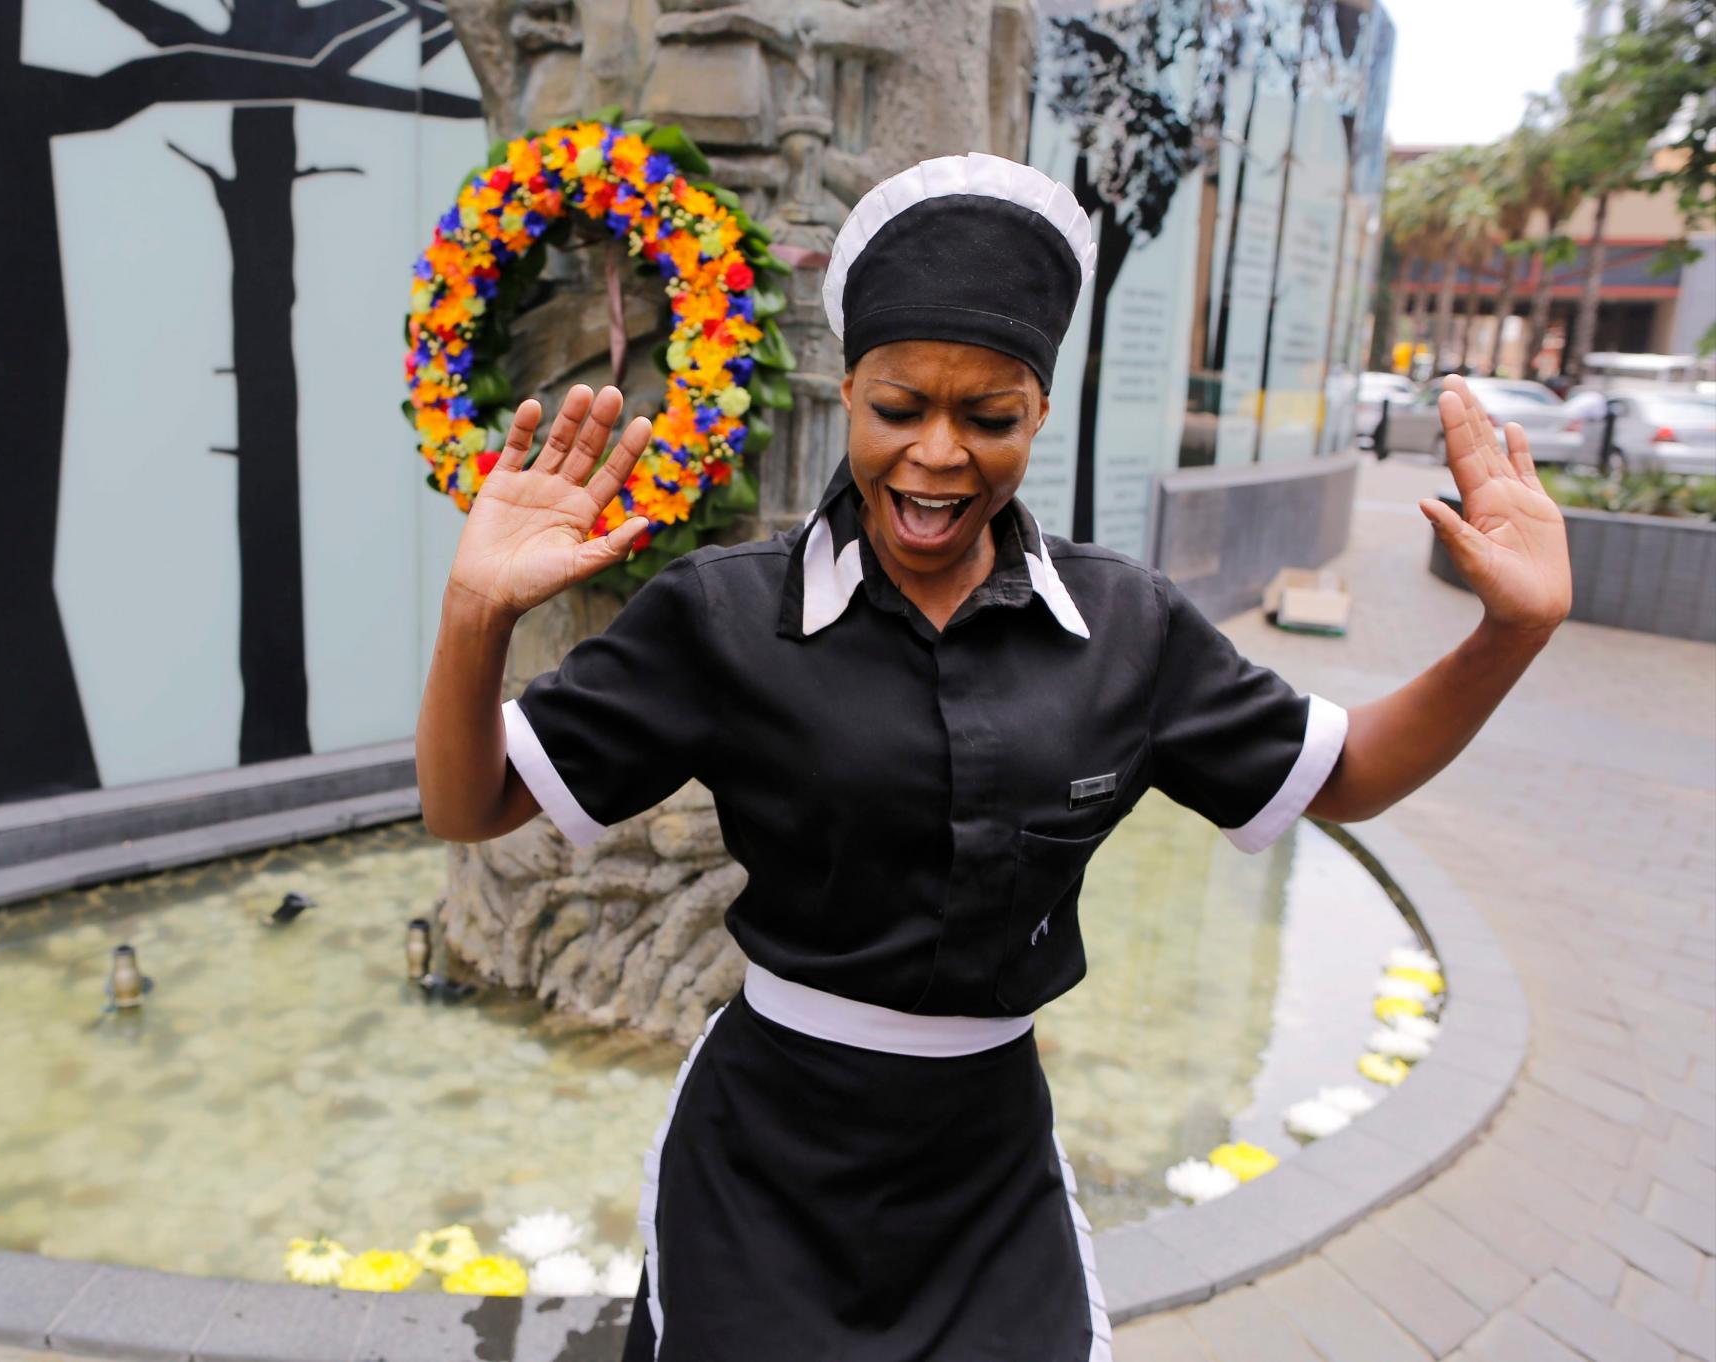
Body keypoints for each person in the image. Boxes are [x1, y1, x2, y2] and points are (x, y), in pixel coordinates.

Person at [417, 153, 1572, 1362]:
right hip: (767, 1151)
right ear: (850, 394)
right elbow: (468, 802)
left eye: (988, 417)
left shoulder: (1125, 629)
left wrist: (1510, 632)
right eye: (899, 409)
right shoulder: (722, 615)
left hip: (985, 1161)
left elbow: (1342, 776)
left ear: (1037, 416)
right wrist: (473, 614)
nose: (937, 456)